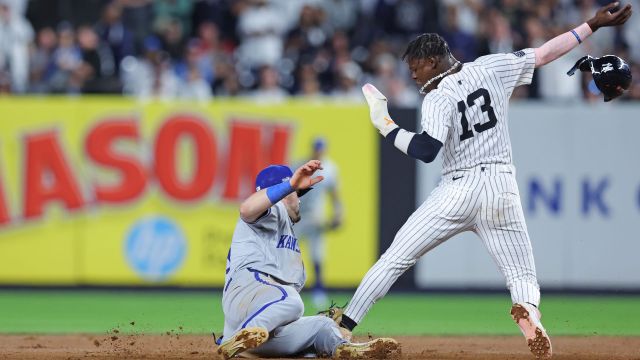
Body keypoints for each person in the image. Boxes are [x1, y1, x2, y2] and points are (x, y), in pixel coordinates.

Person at [334, 3, 632, 359]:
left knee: (394, 259)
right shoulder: (492, 66)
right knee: (521, 274)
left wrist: (386, 126)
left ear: (433, 61)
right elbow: (544, 53)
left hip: (456, 190)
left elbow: (427, 150)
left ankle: (342, 326)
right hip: (500, 187)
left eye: (415, 67)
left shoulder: (437, 97)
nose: (413, 76)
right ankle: (529, 314)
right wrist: (592, 25)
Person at [217, 161, 399, 359]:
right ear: (284, 193)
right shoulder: (273, 210)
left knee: (323, 326)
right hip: (247, 294)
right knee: (292, 300)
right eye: (298, 193)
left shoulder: (289, 238)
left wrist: (330, 325)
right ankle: (242, 335)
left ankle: (344, 349)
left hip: (264, 320)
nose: (301, 200)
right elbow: (246, 209)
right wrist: (290, 186)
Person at [296, 138, 343, 308]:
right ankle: (288, 288)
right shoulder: (301, 165)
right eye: (316, 149)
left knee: (317, 255)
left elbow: (335, 193)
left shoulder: (330, 168)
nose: (318, 152)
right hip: (298, 216)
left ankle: (319, 290)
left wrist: (338, 213)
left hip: (317, 216)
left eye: (321, 149)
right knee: (288, 250)